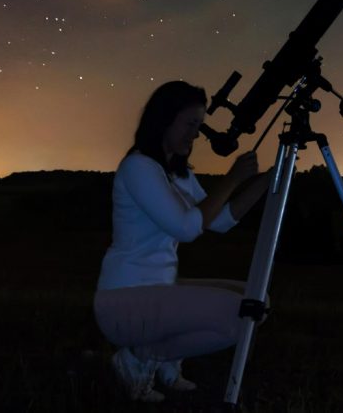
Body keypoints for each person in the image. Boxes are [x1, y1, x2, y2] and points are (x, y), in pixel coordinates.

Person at [93, 80, 271, 402]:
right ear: (164, 120)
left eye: (199, 126)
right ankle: (139, 359)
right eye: (190, 124)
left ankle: (164, 363)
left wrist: (267, 180)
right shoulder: (138, 167)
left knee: (258, 299)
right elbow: (187, 228)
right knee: (241, 316)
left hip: (160, 289)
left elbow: (221, 220)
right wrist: (232, 179)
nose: (196, 134)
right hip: (124, 300)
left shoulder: (178, 173)